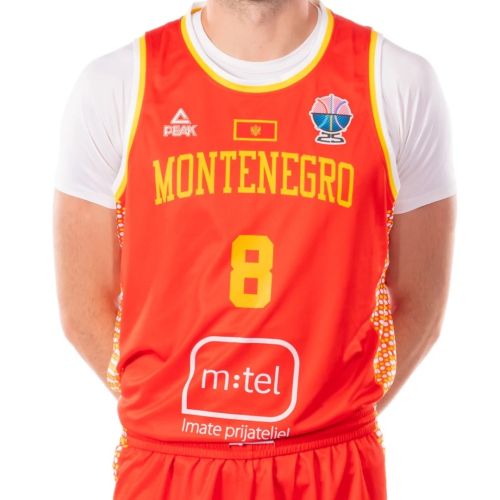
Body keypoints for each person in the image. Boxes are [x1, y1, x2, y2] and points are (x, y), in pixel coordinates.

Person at [52, 0, 457, 498]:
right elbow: (83, 304)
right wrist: (172, 413)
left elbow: (419, 301)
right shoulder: (117, 84)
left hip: (329, 461)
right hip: (168, 463)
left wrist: (328, 412)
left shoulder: (396, 81)